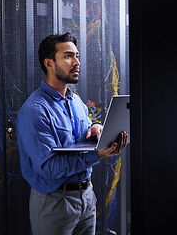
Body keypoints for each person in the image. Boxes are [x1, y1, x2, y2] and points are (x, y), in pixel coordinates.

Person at [17, 32, 128, 235]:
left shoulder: (75, 100)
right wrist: (97, 154)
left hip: (86, 196)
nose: (77, 62)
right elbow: (49, 168)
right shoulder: (35, 110)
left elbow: (76, 140)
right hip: (55, 201)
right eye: (68, 56)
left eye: (77, 55)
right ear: (49, 63)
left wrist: (94, 129)